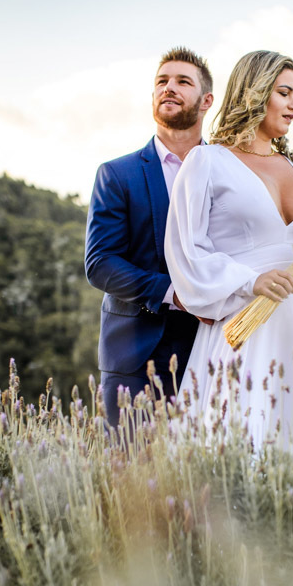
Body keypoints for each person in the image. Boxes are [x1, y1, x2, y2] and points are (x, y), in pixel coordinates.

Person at [164, 49, 293, 462]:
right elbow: (187, 252)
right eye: (284, 93)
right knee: (241, 444)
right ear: (255, 92)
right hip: (245, 324)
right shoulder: (207, 162)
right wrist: (249, 281)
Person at [84, 47, 213, 426]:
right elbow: (101, 265)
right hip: (135, 357)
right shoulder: (116, 174)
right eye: (162, 81)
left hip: (214, 349)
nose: (168, 88)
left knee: (205, 481)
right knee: (131, 477)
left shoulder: (228, 172)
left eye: (182, 82)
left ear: (206, 101)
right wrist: (176, 293)